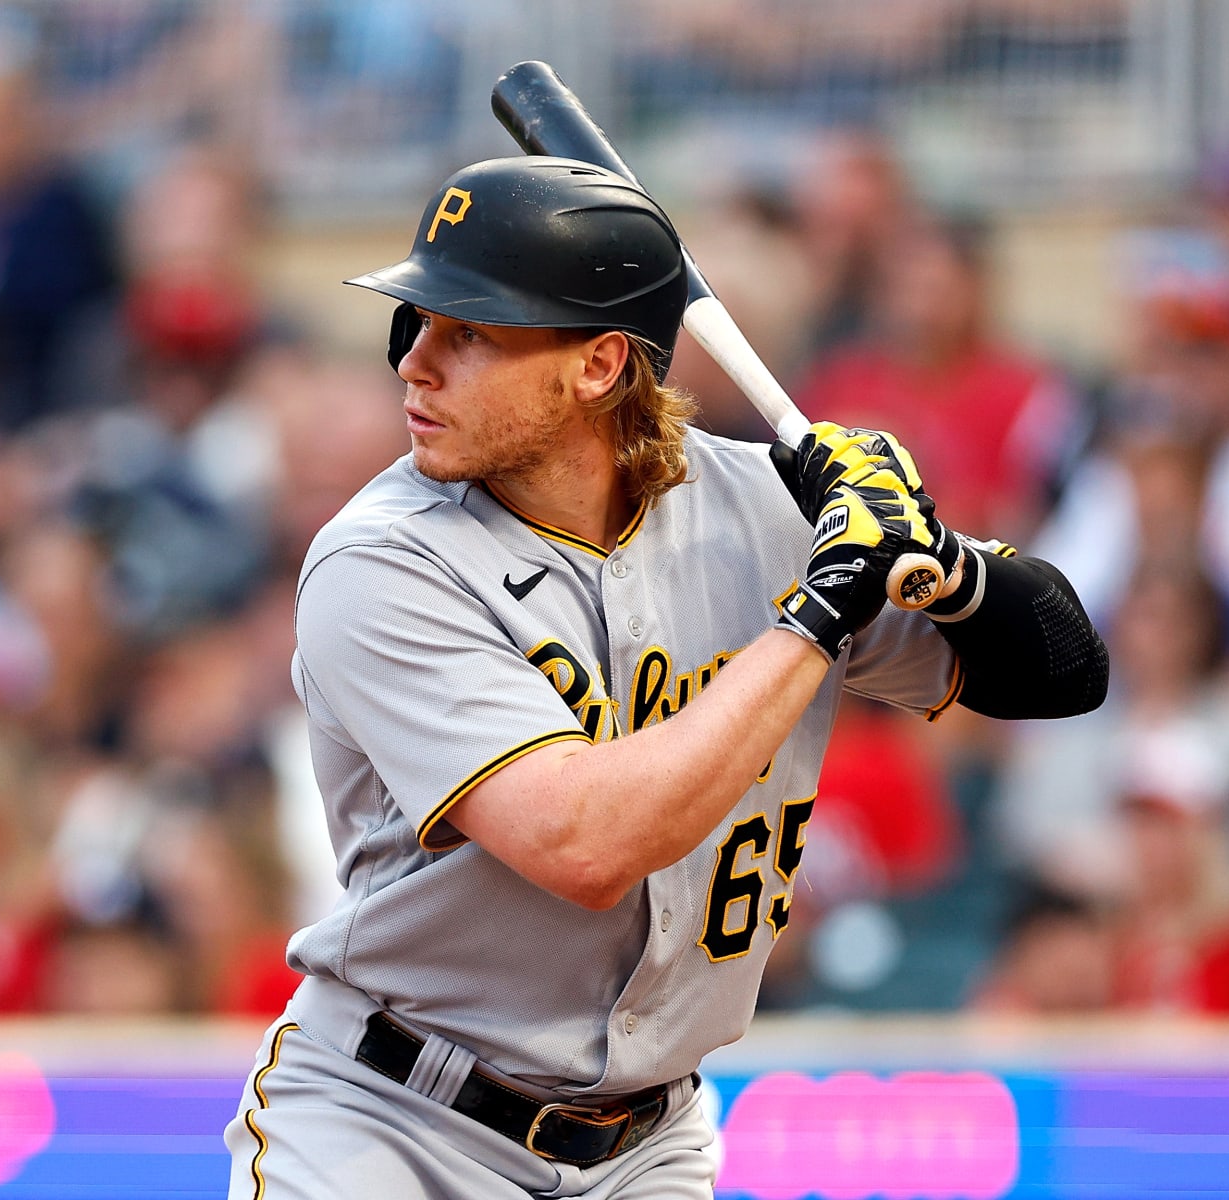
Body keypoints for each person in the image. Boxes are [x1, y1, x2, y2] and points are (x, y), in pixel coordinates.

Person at [224, 156, 1108, 1199]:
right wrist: (822, 611)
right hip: (396, 1126)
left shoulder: (765, 511)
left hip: (651, 1141)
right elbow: (586, 842)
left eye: (468, 331)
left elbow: (1060, 671)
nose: (415, 362)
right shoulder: (380, 561)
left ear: (598, 366)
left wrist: (938, 561)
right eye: (415, 322)